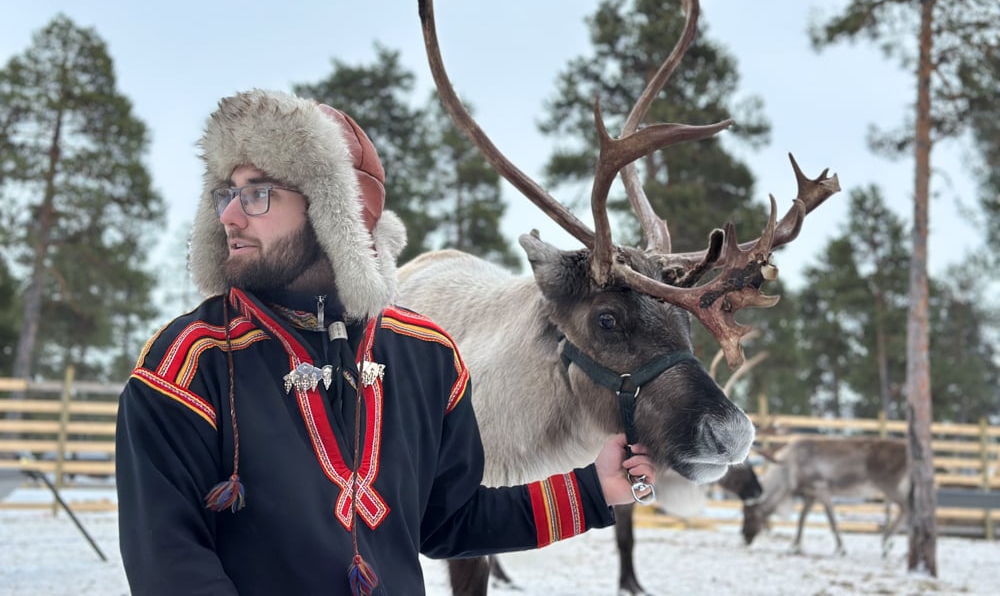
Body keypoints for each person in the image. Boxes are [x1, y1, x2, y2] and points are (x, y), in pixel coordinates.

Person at [115, 89, 655, 596]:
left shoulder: (426, 356)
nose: (229, 214)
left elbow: (450, 521)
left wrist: (593, 490)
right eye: (225, 194)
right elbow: (170, 565)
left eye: (257, 194)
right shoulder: (185, 366)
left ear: (335, 212)